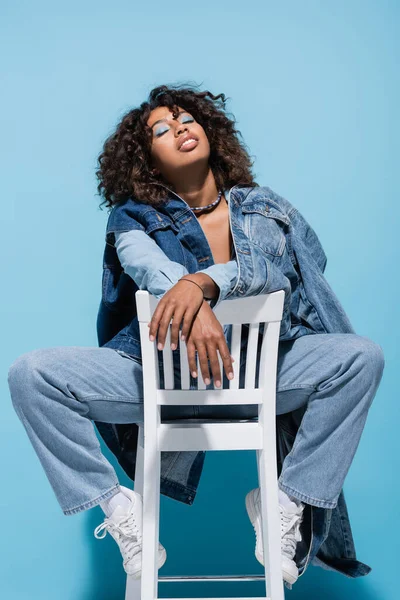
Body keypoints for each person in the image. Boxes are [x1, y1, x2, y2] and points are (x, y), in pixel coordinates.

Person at [7, 83, 385, 588]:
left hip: (264, 373)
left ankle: (285, 502)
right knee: (30, 374)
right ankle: (119, 510)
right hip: (156, 377)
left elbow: (280, 271)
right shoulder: (131, 219)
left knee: (361, 357)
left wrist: (203, 283)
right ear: (149, 164)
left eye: (186, 118)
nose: (179, 128)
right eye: (161, 130)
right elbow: (145, 267)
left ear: (210, 131)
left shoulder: (265, 208)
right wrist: (183, 293)